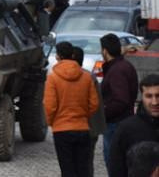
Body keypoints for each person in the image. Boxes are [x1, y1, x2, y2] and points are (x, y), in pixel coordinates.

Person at [44, 42, 99, 177]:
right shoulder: (86, 77)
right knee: (83, 169)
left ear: (57, 56)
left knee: (67, 169)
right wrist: (83, 116)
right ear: (73, 55)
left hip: (61, 129)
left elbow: (50, 106)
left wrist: (52, 122)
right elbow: (94, 103)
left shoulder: (53, 78)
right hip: (82, 128)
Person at [108, 74, 159, 177]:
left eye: (158, 96)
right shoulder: (126, 129)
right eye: (149, 96)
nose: (154, 102)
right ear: (142, 96)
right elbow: (116, 168)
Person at [100, 33, 139, 167]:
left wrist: (103, 113)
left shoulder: (117, 70)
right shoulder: (123, 66)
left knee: (114, 163)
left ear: (104, 51)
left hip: (115, 124)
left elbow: (121, 99)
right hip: (120, 121)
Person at [73, 46, 106, 177]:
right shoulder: (90, 77)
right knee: (87, 162)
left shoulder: (79, 78)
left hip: (80, 127)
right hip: (92, 128)